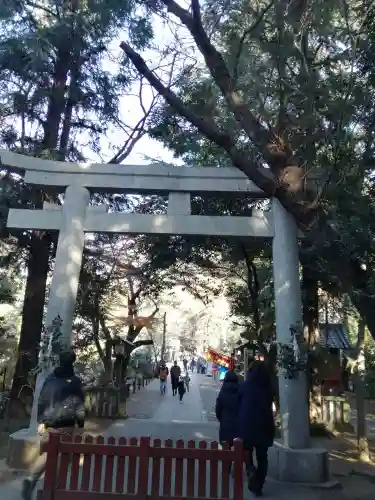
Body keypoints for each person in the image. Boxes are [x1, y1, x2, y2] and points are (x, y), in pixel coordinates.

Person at [22, 349, 85, 500]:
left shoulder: (50, 378)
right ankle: (50, 487)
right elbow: (78, 404)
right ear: (73, 362)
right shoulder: (74, 381)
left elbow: (42, 399)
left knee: (49, 451)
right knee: (60, 454)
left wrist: (41, 421)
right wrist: (81, 425)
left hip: (49, 422)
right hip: (66, 423)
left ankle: (32, 480)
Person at [237, 361, 275, 497]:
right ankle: (259, 484)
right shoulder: (268, 387)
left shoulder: (245, 386)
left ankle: (250, 470)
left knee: (246, 452)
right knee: (262, 456)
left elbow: (238, 402)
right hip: (264, 426)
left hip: (247, 425)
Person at [215, 370, 241, 448]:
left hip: (225, 423)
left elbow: (218, 407)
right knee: (239, 450)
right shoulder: (240, 389)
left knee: (226, 450)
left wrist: (221, 418)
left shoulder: (223, 390)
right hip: (239, 424)